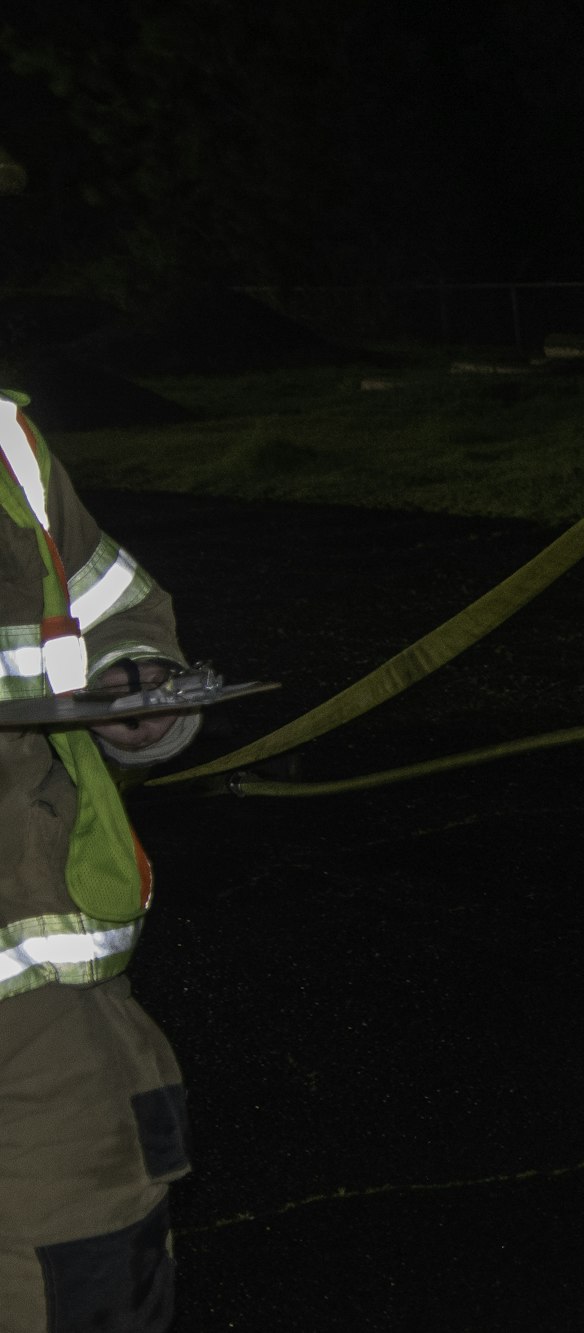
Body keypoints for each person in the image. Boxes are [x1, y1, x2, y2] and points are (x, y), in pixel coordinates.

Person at [2, 388, 203, 1331]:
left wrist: (136, 679)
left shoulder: (8, 445)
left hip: (47, 1019)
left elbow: (114, 600)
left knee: (92, 1258)